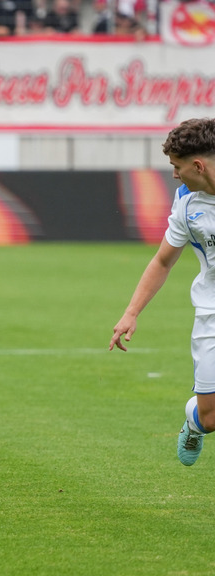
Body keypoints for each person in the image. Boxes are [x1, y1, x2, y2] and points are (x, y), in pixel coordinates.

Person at [110, 118, 215, 466]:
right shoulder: (187, 203)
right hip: (211, 311)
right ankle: (194, 421)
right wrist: (131, 312)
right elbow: (163, 262)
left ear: (197, 165)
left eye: (176, 167)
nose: (174, 174)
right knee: (210, 416)